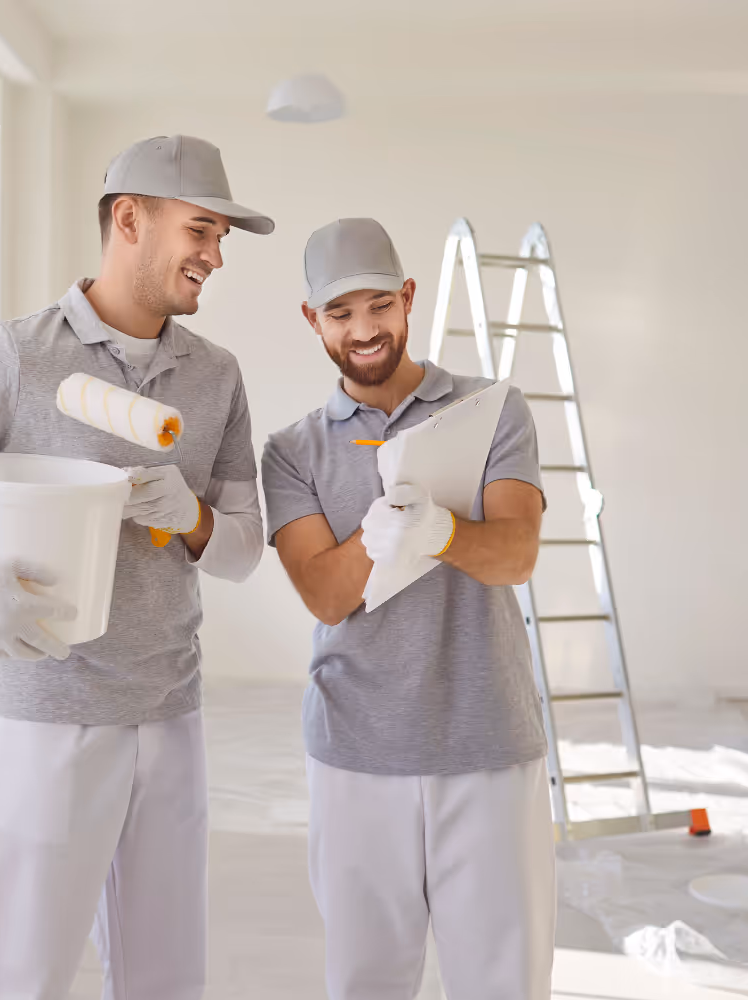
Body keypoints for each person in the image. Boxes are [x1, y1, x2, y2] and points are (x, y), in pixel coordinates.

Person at [0, 135, 274, 1000]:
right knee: (24, 974)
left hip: (169, 709)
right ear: (129, 219)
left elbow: (243, 547)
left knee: (164, 977)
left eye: (222, 236)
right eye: (201, 229)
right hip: (47, 713)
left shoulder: (215, 376)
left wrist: (190, 519)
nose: (216, 255)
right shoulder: (19, 355)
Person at [261, 218, 555, 1000]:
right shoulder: (293, 451)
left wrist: (439, 528)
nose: (363, 331)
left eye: (379, 306)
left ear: (408, 299)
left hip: (486, 745)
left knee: (503, 981)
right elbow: (325, 592)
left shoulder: (494, 411)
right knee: (367, 982)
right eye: (340, 313)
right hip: (356, 754)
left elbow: (515, 555)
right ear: (311, 319)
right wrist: (377, 535)